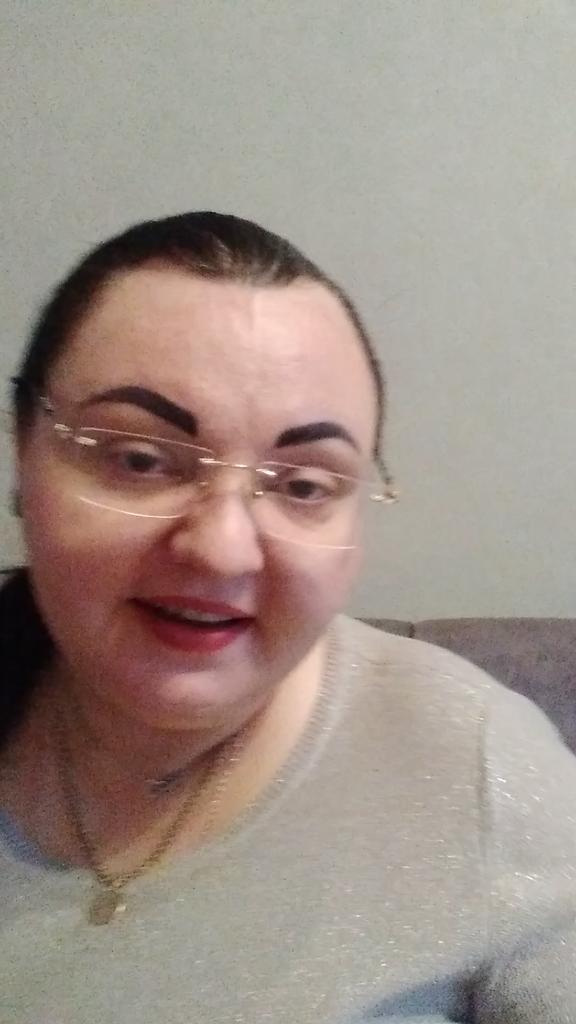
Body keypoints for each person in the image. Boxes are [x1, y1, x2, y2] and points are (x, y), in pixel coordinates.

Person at [0, 212, 575, 1024]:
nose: (222, 550)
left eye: (303, 485)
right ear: (23, 453)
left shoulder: (478, 765)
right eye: (140, 459)